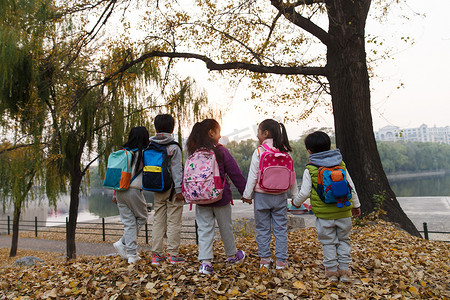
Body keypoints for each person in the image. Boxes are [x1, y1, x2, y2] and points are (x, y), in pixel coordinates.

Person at [292, 131, 361, 283]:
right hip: (343, 210)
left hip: (324, 215)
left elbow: (304, 192)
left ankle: (331, 271)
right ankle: (344, 270)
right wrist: (356, 205)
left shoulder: (310, 169)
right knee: (344, 240)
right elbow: (351, 186)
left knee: (328, 242)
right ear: (330, 146)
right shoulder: (341, 165)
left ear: (309, 150)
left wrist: (295, 203)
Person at [185, 119, 247, 275]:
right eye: (218, 132)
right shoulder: (220, 151)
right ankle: (232, 256)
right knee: (226, 227)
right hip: (221, 197)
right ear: (212, 132)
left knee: (204, 229)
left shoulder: (193, 152)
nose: (220, 136)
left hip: (200, 198)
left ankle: (205, 263)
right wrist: (245, 193)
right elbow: (235, 173)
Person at [241, 119, 299, 270]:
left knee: (262, 229)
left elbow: (253, 175)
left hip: (262, 196)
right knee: (281, 229)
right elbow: (292, 176)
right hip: (281, 196)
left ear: (265, 133)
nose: (257, 135)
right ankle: (281, 261)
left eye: (258, 132)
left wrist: (247, 195)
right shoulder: (285, 152)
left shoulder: (260, 151)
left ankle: (265, 260)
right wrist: (295, 197)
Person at [150, 114, 185, 265]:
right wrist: (179, 190)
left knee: (158, 220)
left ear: (155, 128)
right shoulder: (174, 147)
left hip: (157, 187)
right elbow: (177, 170)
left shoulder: (150, 145)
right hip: (172, 189)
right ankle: (172, 254)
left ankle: (156, 255)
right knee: (174, 221)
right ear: (172, 128)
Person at [112, 126, 150, 264]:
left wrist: (115, 194)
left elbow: (117, 175)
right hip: (134, 190)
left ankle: (132, 255)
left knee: (129, 222)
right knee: (142, 217)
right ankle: (123, 243)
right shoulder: (144, 153)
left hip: (120, 190)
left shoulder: (123, 153)